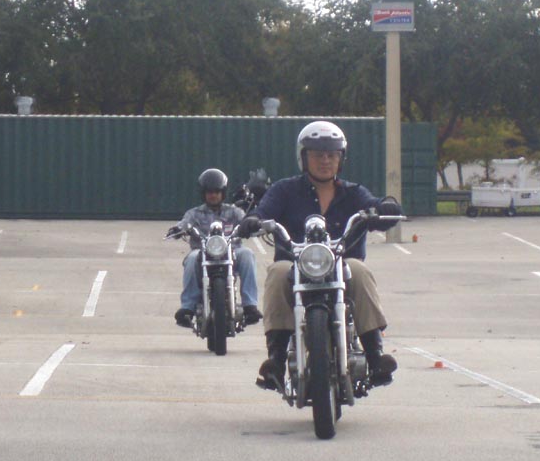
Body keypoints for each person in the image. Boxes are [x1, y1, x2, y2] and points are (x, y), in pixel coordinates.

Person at [238, 120, 402, 390]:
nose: (325, 161)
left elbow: (375, 206)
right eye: (317, 155)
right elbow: (263, 211)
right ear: (303, 157)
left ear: (341, 159)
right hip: (296, 266)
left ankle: (375, 356)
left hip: (341, 266)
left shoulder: (354, 193)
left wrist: (387, 206)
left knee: (359, 270)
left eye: (332, 155)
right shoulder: (284, 190)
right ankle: (276, 359)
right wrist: (253, 219)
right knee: (277, 272)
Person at [171, 168, 261, 328]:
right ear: (203, 193)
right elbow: (184, 223)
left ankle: (250, 305)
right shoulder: (194, 213)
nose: (213, 195)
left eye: (217, 192)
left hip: (231, 252)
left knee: (247, 254)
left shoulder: (234, 212)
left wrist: (252, 224)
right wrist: (178, 229)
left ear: (223, 192)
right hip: (203, 253)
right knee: (191, 258)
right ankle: (187, 307)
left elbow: (245, 221)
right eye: (209, 192)